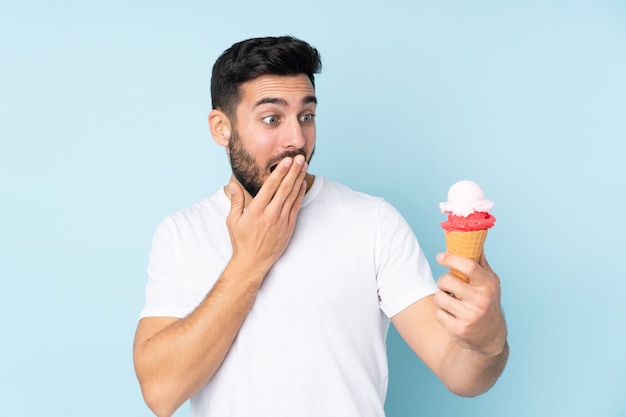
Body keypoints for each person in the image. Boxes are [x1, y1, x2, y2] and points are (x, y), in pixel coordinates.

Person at [133, 36, 509, 417]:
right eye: (271, 119)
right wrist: (250, 261)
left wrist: (488, 343)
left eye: (306, 116)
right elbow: (160, 394)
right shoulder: (181, 232)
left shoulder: (373, 221)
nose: (297, 140)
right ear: (221, 128)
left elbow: (461, 375)